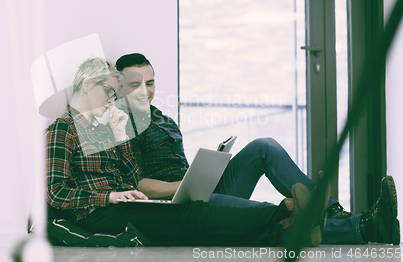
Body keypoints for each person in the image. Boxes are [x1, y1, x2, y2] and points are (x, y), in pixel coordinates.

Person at [115, 52, 401, 245]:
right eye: (135, 84)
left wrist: (205, 172)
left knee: (264, 146)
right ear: (119, 87)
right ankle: (364, 226)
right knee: (273, 214)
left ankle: (331, 210)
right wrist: (183, 186)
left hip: (198, 193)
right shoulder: (120, 125)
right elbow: (136, 185)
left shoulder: (163, 120)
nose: (145, 91)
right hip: (177, 207)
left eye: (150, 83)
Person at [45, 57, 326, 247]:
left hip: (122, 204)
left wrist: (121, 139)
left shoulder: (106, 129)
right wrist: (108, 196)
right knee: (196, 217)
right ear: (86, 85)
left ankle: (287, 225)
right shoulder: (63, 129)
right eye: (109, 91)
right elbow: (55, 193)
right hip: (98, 212)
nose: (111, 100)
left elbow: (131, 178)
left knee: (197, 218)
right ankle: (286, 211)